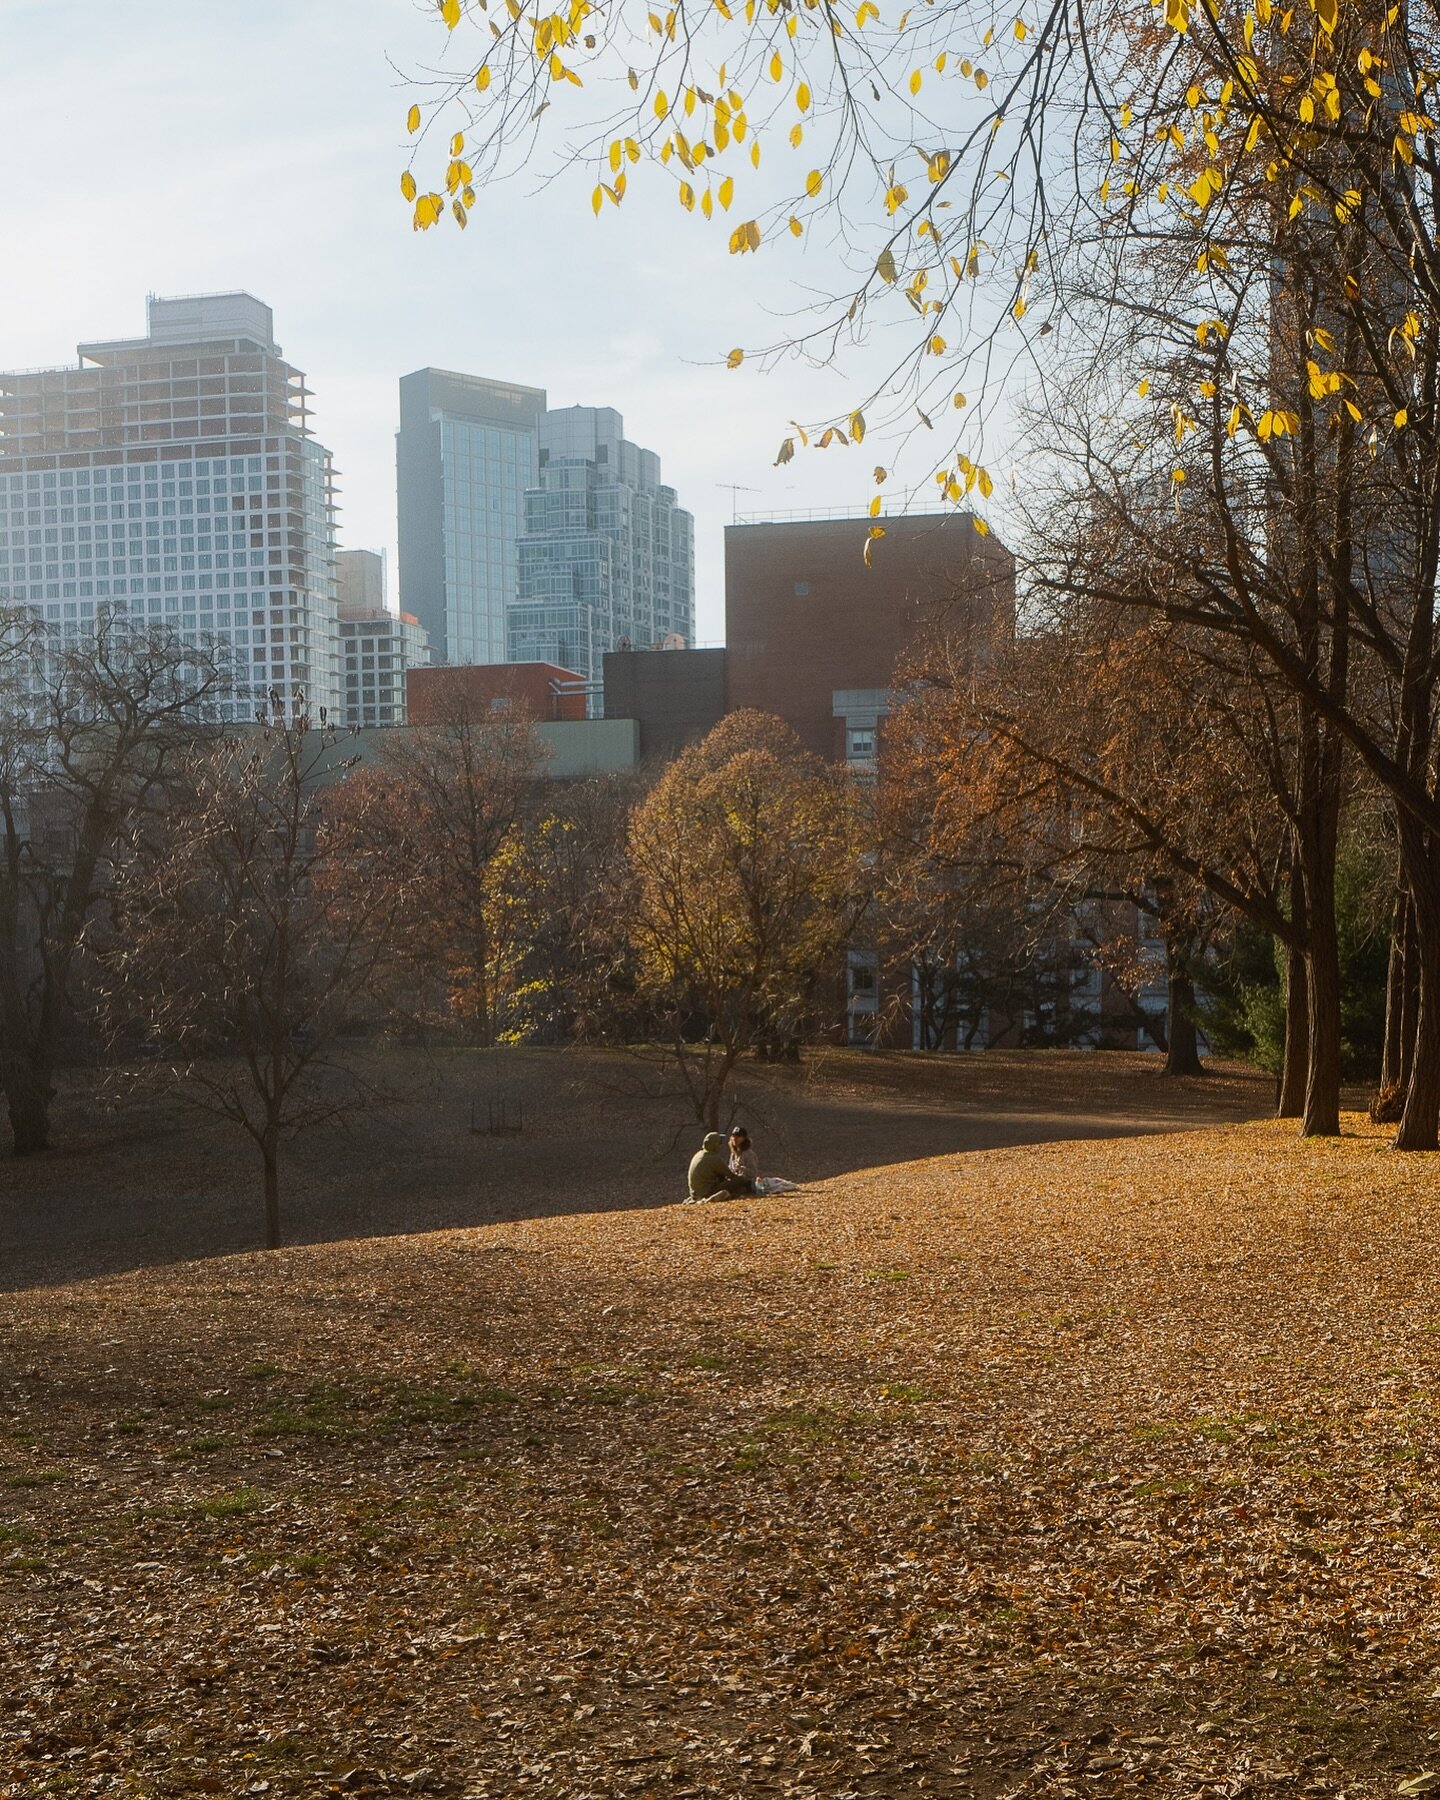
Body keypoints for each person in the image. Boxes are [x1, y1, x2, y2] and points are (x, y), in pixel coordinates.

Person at [686, 1131, 751, 1203]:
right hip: (707, 1193)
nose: (720, 1145)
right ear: (714, 1145)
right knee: (740, 1179)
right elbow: (731, 1176)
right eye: (719, 1143)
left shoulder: (698, 1154)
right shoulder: (713, 1158)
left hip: (695, 1194)